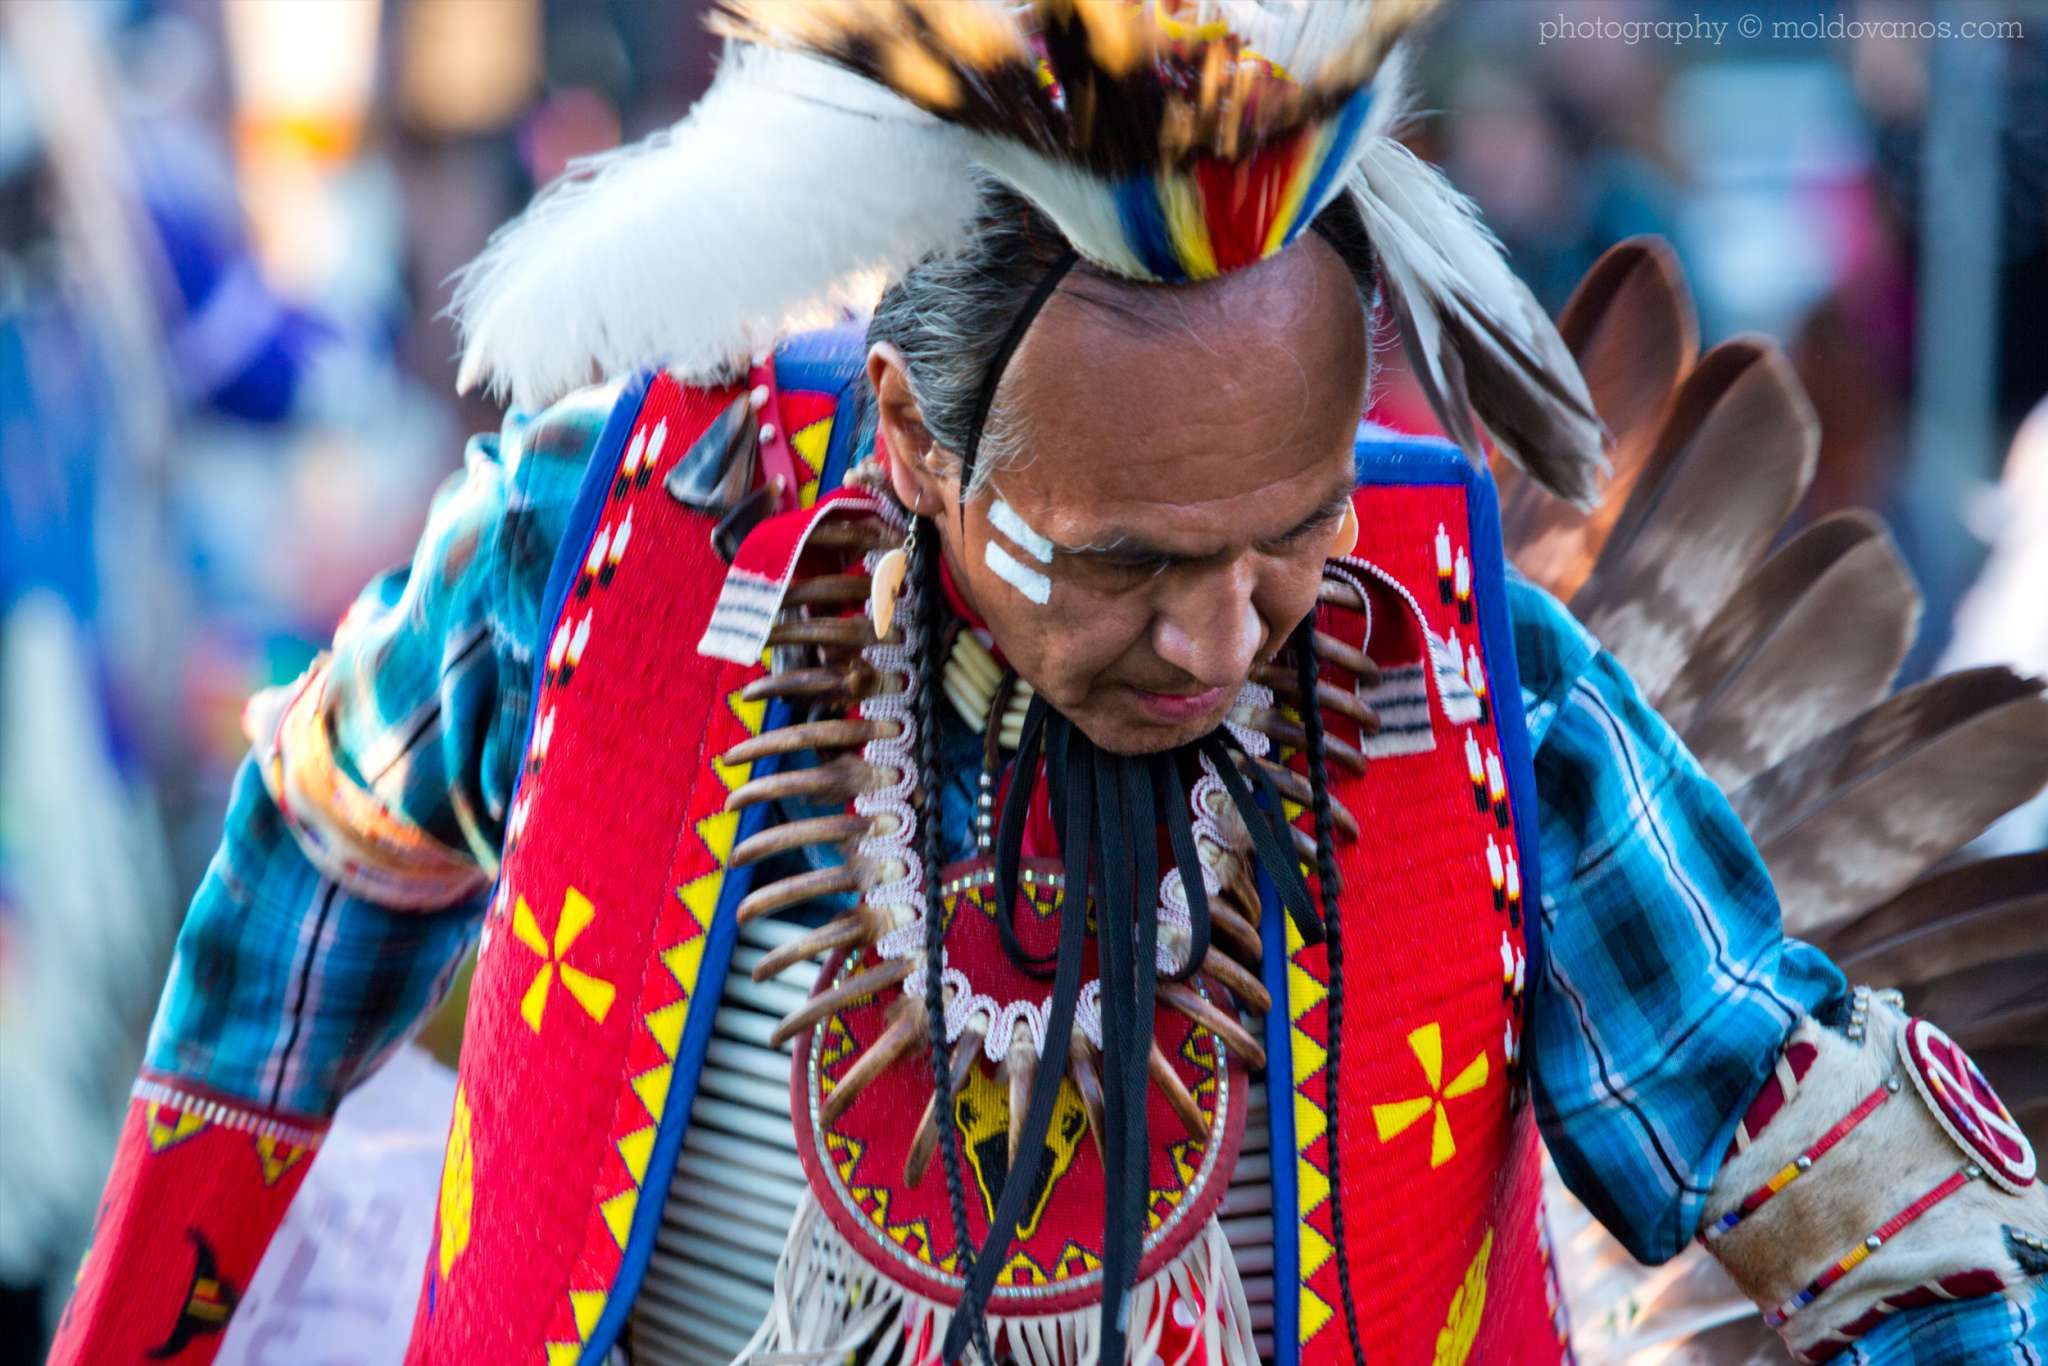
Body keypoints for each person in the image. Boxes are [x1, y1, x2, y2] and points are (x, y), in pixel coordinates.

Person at [52, 3, 2048, 1363]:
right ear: (913, 436)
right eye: (1122, 562)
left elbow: (1868, 1193)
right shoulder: (601, 554)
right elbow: (299, 890)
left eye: (1289, 532)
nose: (1219, 638)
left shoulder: (1468, 688)